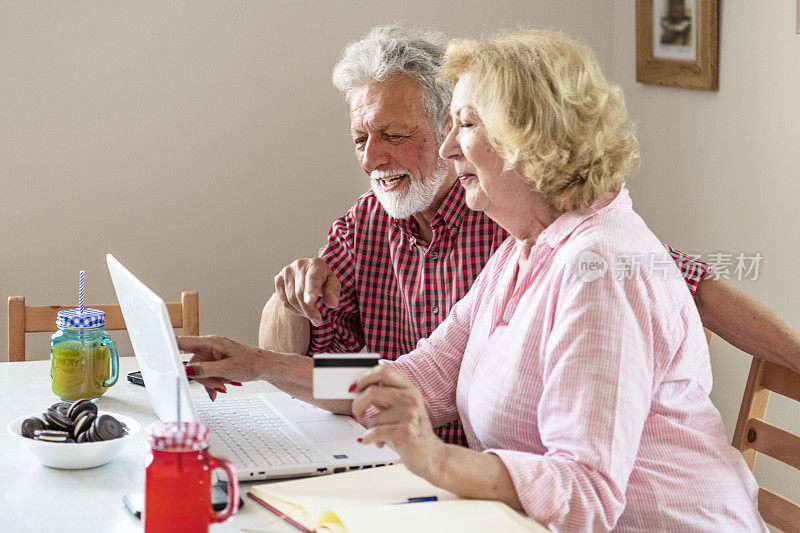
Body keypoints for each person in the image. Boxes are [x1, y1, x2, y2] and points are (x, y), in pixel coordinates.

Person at [182, 30, 767, 530]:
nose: (449, 145)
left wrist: (432, 458)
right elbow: (418, 378)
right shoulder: (527, 246)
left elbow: (585, 495)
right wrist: (258, 364)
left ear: (528, 137)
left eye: (465, 123)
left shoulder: (600, 269)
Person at [254, 25, 800, 442]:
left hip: (498, 482)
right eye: (359, 139)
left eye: (395, 134)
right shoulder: (375, 222)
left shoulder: (534, 225)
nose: (373, 157)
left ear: (456, 127)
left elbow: (692, 284)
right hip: (422, 470)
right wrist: (279, 319)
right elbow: (393, 376)